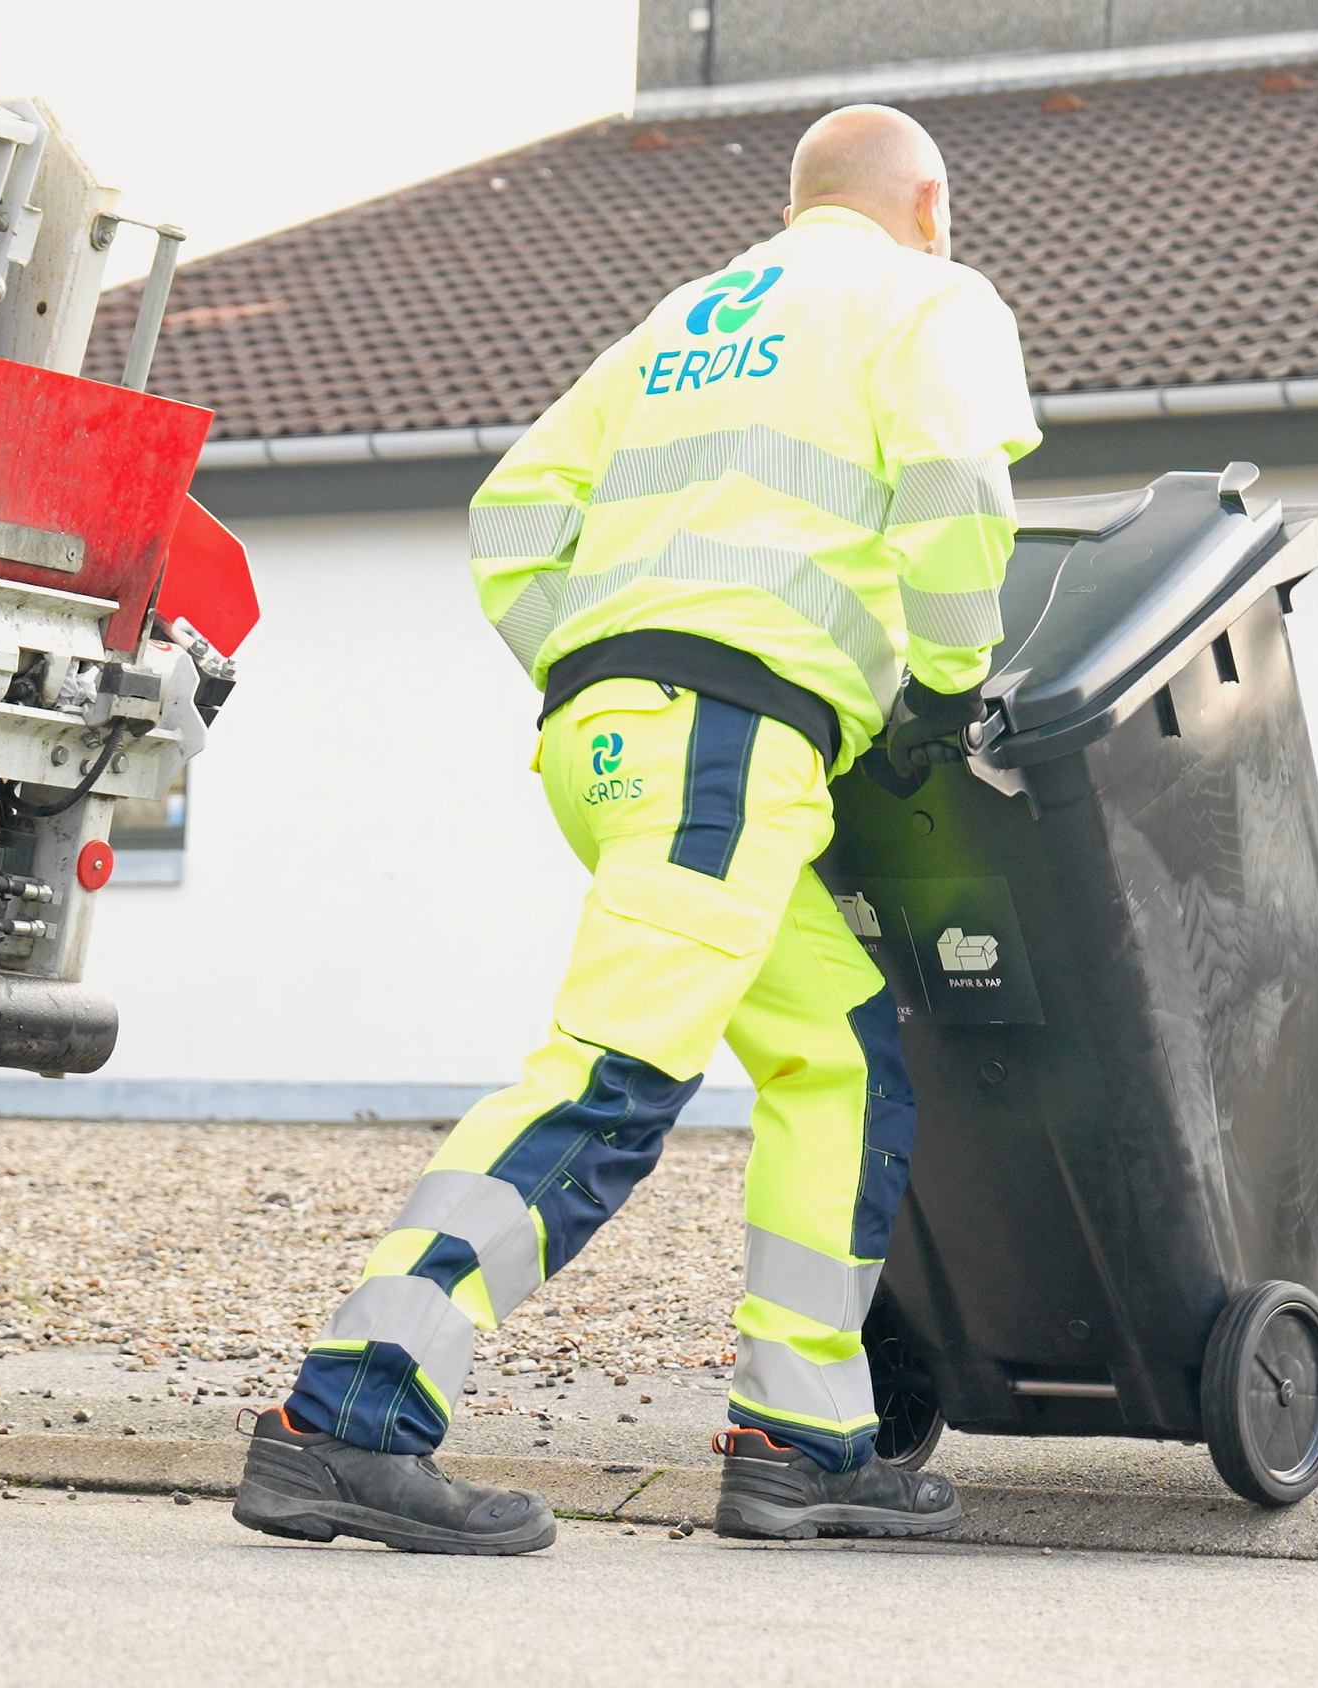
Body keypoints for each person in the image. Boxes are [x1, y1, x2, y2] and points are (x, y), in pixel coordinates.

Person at [232, 104, 1039, 1555]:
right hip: (728, 749)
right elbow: (957, 493)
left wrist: (592, 659)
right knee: (612, 1080)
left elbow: (514, 511)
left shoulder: (684, 320)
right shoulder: (929, 296)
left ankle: (805, 1441)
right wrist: (949, 684)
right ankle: (347, 1416)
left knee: (842, 1064)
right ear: (926, 199)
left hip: (616, 747)